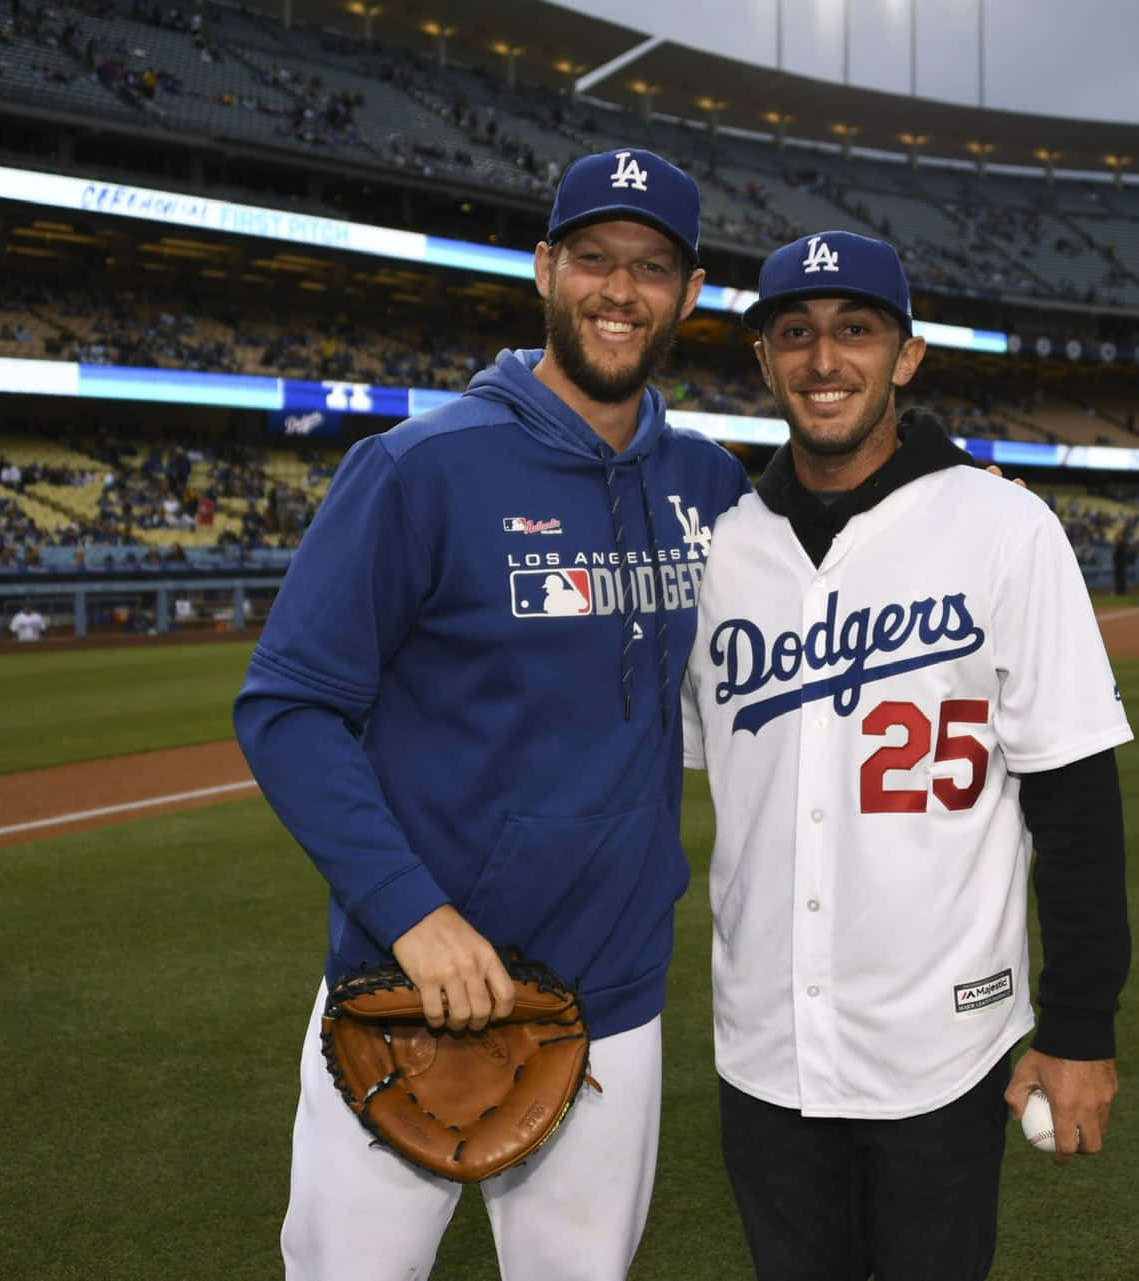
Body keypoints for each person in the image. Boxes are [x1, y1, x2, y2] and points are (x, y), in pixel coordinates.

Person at [231, 148, 751, 1281]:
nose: (621, 291)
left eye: (652, 267)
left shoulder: (712, 487)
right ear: (543, 270)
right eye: (595, 260)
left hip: (609, 999)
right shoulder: (418, 468)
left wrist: (947, 494)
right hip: (409, 990)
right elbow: (290, 706)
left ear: (691, 295)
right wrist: (414, 913)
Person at [682, 231, 1134, 1281]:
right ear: (762, 359)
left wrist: (1079, 1028)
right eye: (794, 333)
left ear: (908, 355)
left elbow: (1075, 803)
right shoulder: (723, 545)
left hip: (943, 1047)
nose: (824, 359)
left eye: (856, 330)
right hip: (765, 1049)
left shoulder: (1004, 527)